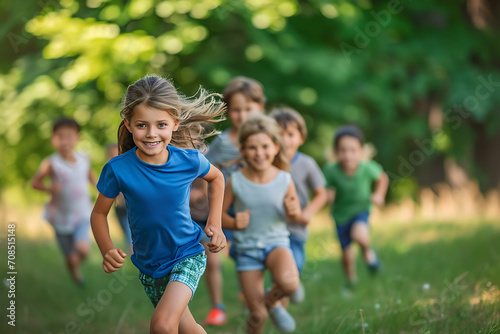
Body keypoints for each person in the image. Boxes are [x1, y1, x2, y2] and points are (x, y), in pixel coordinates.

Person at [91, 75, 227, 334]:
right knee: (188, 328)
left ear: (174, 124)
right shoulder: (118, 169)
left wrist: (215, 224)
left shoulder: (188, 160)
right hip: (150, 264)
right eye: (142, 125)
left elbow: (217, 178)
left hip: (187, 253)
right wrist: (106, 249)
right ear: (128, 124)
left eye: (161, 124)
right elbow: (99, 213)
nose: (152, 133)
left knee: (162, 325)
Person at [222, 114, 301, 334]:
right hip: (247, 251)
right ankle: (264, 308)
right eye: (252, 148)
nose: (259, 153)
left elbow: (294, 216)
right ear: (243, 151)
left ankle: (272, 300)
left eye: (265, 146)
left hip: (276, 243)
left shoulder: (284, 179)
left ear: (275, 147)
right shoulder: (235, 181)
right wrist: (234, 222)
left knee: (290, 284)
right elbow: (219, 217)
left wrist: (294, 212)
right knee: (257, 316)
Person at [202, 76, 266, 316]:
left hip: (252, 210)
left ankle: (249, 299)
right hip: (221, 208)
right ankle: (217, 306)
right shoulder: (221, 142)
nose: (242, 115)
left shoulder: (264, 140)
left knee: (248, 259)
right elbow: (207, 171)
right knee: (213, 256)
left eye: (249, 109)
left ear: (261, 108)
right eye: (237, 110)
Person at [269, 107, 327, 303]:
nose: (286, 140)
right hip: (272, 229)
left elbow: (322, 193)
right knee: (278, 271)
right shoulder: (266, 164)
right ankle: (278, 307)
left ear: (301, 138)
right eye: (280, 134)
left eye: (291, 134)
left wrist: (309, 212)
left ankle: (289, 286)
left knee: (296, 265)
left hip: (296, 229)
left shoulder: (307, 164)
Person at [322, 125, 389, 291]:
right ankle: (351, 282)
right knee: (346, 255)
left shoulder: (366, 167)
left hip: (361, 210)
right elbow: (325, 188)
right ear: (336, 152)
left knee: (360, 236)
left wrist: (379, 195)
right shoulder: (331, 170)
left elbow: (382, 178)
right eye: (342, 150)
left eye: (353, 150)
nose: (348, 155)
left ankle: (368, 254)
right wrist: (328, 195)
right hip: (340, 215)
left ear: (360, 151)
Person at [32, 117, 96, 286]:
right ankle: (74, 272)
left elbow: (92, 179)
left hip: (82, 213)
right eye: (60, 136)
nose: (65, 141)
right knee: (70, 257)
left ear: (77, 138)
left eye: (69, 136)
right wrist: (49, 188)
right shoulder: (51, 163)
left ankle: (74, 265)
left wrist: (104, 191)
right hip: (60, 217)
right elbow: (35, 183)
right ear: (53, 139)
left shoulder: (84, 159)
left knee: (83, 249)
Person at [106, 143, 133, 254]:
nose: (114, 157)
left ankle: (136, 258)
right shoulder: (110, 170)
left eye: (117, 154)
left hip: (130, 210)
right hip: (119, 211)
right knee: (128, 237)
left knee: (131, 239)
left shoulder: (128, 168)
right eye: (111, 155)